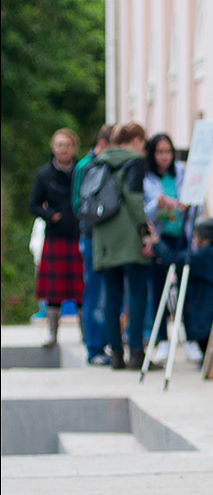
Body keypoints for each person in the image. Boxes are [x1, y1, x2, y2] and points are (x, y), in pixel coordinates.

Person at [91, 122, 154, 370]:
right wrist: (145, 230)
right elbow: (134, 198)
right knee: (138, 293)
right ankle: (136, 351)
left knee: (112, 295)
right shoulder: (134, 161)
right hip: (129, 234)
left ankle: (116, 353)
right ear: (137, 139)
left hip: (103, 234)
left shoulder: (98, 161)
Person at [148, 214, 213, 362]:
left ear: (205, 239)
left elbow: (173, 259)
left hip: (206, 317)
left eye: (195, 237)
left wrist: (156, 242)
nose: (193, 241)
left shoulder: (205, 256)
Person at [30, 129, 85, 347]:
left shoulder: (82, 170)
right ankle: (52, 333)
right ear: (53, 148)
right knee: (53, 290)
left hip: (78, 235)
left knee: (81, 288)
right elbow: (33, 204)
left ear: (74, 147)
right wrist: (49, 215)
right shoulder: (44, 174)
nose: (63, 149)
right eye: (59, 145)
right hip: (55, 236)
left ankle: (86, 334)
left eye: (67, 145)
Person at [143, 133, 188, 361]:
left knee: (185, 287)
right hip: (159, 238)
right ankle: (161, 339)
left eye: (168, 152)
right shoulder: (146, 177)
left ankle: (189, 338)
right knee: (159, 287)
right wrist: (156, 203)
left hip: (182, 235)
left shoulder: (181, 171)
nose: (164, 157)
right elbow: (143, 211)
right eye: (159, 152)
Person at [71, 123, 114, 364]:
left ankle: (108, 343)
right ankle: (94, 348)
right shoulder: (86, 166)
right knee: (95, 294)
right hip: (92, 237)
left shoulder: (108, 164)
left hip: (109, 238)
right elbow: (78, 204)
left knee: (110, 295)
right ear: (105, 144)